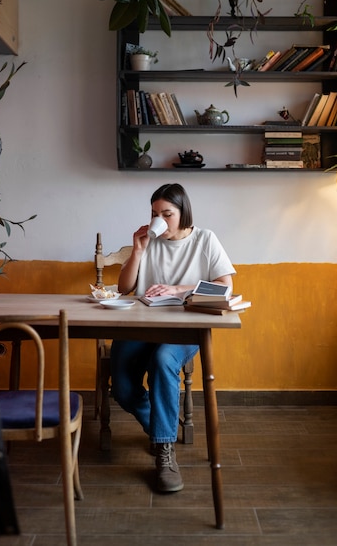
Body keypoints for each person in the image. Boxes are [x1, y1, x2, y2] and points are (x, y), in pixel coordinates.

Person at [111, 183, 235, 493]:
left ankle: (164, 452)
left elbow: (225, 287)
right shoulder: (149, 242)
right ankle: (159, 425)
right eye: (155, 214)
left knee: (163, 359)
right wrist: (138, 251)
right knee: (123, 388)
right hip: (142, 325)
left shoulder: (205, 239)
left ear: (183, 213)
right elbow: (124, 288)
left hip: (184, 327)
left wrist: (179, 289)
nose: (161, 220)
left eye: (168, 214)